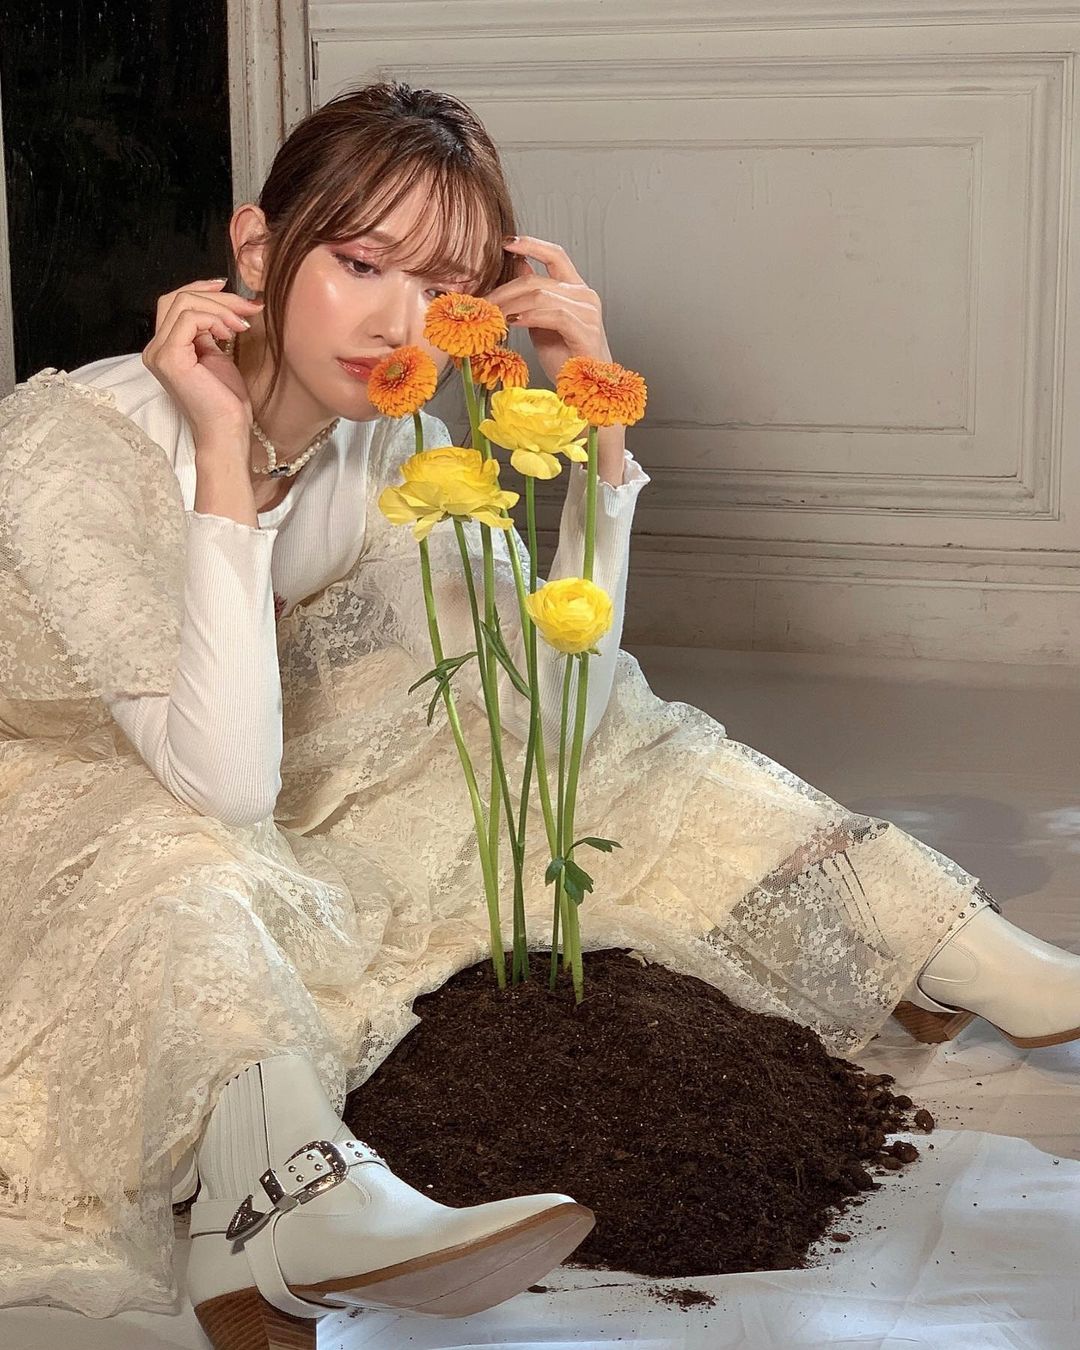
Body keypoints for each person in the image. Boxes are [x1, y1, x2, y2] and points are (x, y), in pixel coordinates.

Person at [0, 79, 1077, 1346]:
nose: (397, 324)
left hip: (259, 752)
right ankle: (284, 1206)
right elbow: (222, 788)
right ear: (256, 248)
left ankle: (942, 944)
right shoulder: (76, 446)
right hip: (73, 799)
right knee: (193, 859)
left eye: (441, 290)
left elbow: (564, 720)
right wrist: (224, 456)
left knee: (595, 745)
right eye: (359, 264)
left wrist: (598, 434)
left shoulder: (388, 438)